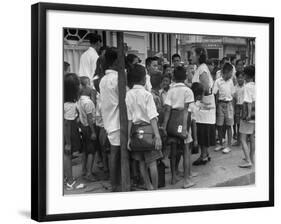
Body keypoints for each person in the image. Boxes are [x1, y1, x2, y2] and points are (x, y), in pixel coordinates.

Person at [126, 64, 163, 190]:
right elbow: (152, 117)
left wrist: (129, 138)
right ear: (143, 79)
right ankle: (155, 189)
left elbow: (129, 118)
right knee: (152, 163)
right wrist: (157, 136)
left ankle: (148, 186)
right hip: (148, 131)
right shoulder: (147, 95)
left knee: (141, 162)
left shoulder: (128, 95)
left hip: (136, 131)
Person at [162, 66, 195, 188]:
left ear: (174, 77)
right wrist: (185, 128)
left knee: (173, 150)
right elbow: (186, 110)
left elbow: (167, 110)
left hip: (172, 123)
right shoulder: (188, 91)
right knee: (186, 151)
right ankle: (186, 180)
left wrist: (165, 126)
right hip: (183, 123)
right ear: (185, 77)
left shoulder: (170, 91)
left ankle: (173, 177)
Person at [99, 48, 121, 191]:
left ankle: (115, 183)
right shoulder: (116, 78)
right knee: (115, 154)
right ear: (115, 62)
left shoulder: (103, 79)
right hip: (117, 121)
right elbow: (123, 98)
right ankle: (115, 184)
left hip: (109, 120)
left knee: (115, 154)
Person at [191, 47, 216, 165]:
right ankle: (205, 154)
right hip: (203, 106)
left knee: (203, 130)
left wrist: (195, 94)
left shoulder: (202, 69)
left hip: (204, 106)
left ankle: (204, 156)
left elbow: (206, 88)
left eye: (192, 54)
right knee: (202, 130)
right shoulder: (201, 68)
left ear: (198, 55)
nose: (191, 56)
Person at [63, 73, 85, 190]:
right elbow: (66, 124)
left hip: (66, 131)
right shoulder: (70, 105)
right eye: (79, 85)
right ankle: (70, 182)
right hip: (67, 133)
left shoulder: (64, 101)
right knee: (67, 155)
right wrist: (68, 142)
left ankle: (66, 177)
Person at [77, 76, 98, 181]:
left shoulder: (80, 100)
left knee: (85, 150)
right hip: (90, 127)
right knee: (91, 151)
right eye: (89, 84)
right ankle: (89, 173)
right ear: (85, 87)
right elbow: (90, 118)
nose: (91, 87)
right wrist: (93, 132)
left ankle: (84, 170)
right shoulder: (88, 102)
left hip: (84, 127)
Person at [213, 63, 235, 154]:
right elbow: (215, 93)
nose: (232, 74)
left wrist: (232, 106)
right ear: (227, 72)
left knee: (229, 125)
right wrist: (216, 106)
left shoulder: (231, 81)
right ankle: (221, 143)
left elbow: (233, 94)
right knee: (220, 125)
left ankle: (229, 145)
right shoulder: (218, 81)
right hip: (220, 104)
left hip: (229, 104)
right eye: (231, 72)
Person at [239, 65, 255, 168]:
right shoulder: (255, 85)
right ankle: (251, 158)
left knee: (243, 139)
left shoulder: (247, 87)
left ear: (246, 75)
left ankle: (248, 161)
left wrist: (247, 115)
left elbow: (248, 102)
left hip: (248, 115)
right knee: (252, 138)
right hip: (256, 114)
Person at [233, 71, 245, 145]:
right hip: (237, 106)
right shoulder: (235, 87)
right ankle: (238, 140)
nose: (240, 79)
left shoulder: (246, 86)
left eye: (241, 77)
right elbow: (234, 98)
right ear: (236, 78)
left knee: (244, 123)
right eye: (238, 78)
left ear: (244, 78)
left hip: (244, 106)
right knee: (238, 123)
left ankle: (244, 139)